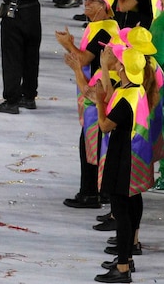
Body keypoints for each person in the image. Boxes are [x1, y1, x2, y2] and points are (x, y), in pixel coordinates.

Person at [89, 39, 157, 282]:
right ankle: (125, 258)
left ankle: (123, 268)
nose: (115, 62)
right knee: (129, 208)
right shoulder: (134, 88)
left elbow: (105, 125)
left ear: (124, 68)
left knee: (122, 214)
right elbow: (112, 96)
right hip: (131, 157)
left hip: (124, 160)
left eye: (118, 61)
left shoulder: (127, 98)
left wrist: (98, 102)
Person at [57, 0, 120, 210]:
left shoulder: (105, 29)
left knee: (90, 143)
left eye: (93, 1)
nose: (86, 3)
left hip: (100, 92)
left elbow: (83, 60)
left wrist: (68, 45)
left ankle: (91, 193)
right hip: (99, 89)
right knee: (92, 143)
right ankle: (99, 191)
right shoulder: (98, 26)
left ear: (105, 7)